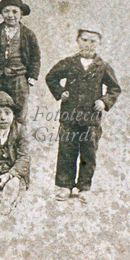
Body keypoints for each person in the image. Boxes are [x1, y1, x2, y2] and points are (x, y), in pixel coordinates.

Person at [45, 26, 121, 204]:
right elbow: (51, 77)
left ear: (99, 43)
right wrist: (60, 92)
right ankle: (65, 186)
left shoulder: (102, 66)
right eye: (84, 40)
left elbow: (114, 88)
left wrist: (104, 101)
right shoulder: (69, 62)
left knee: (88, 153)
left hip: (90, 119)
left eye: (93, 41)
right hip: (69, 116)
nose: (88, 44)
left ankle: (84, 187)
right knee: (67, 151)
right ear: (78, 41)